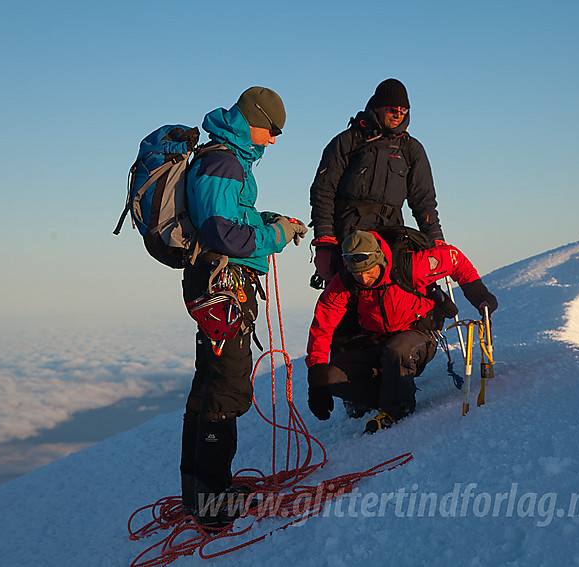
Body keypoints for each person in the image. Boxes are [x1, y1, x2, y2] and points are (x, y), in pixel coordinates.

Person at [180, 86, 307, 527]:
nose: (272, 140)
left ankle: (198, 494)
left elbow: (231, 217)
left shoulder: (222, 158)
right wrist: (275, 238)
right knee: (229, 389)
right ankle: (213, 505)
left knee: (209, 384)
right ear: (252, 117)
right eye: (271, 130)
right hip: (223, 289)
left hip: (212, 286)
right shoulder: (225, 161)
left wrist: (273, 221)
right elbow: (220, 231)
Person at [305, 229, 497, 434]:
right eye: (357, 274)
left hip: (418, 335)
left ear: (379, 260)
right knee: (331, 377)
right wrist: (316, 375)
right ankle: (396, 390)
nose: (364, 279)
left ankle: (396, 410)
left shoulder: (410, 265)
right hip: (375, 339)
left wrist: (480, 295)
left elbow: (454, 259)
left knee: (397, 349)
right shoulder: (345, 280)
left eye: (369, 272)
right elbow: (323, 324)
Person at [309, 78, 445, 287]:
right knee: (348, 307)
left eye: (404, 110)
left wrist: (436, 241)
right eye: (392, 109)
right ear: (378, 107)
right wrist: (325, 242)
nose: (398, 114)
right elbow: (323, 192)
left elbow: (424, 201)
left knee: (390, 306)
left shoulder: (411, 149)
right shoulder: (348, 141)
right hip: (348, 238)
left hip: (391, 241)